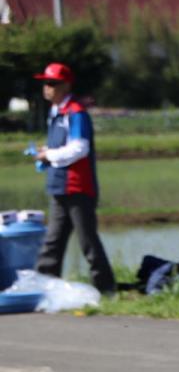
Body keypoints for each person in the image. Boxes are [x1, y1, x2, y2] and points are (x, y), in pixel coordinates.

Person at [31, 62, 115, 294]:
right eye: (45, 83)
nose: (47, 88)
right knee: (53, 241)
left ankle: (106, 288)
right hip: (58, 185)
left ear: (66, 85)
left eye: (52, 83)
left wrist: (49, 154)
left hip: (78, 187)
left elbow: (80, 148)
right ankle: (44, 286)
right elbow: (63, 146)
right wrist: (47, 151)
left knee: (87, 241)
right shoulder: (56, 112)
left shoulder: (76, 113)